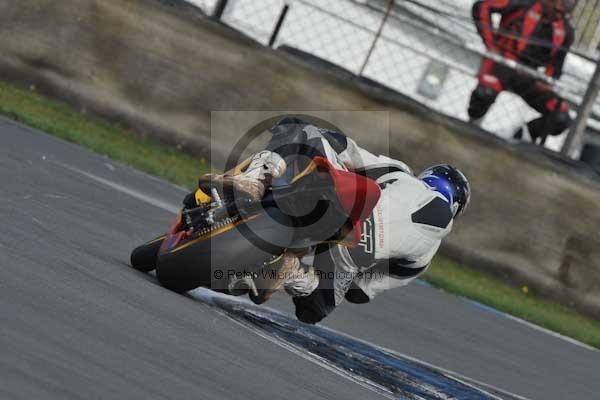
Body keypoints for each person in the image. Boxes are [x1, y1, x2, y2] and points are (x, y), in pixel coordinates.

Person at [199, 118, 470, 324]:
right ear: (456, 208)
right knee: (313, 311)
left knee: (302, 130)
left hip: (344, 204)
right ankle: (295, 276)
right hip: (353, 253)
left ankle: (255, 179)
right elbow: (359, 293)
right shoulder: (425, 257)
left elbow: (350, 150)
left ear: (429, 177)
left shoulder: (401, 174)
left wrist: (323, 136)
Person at [468, 0, 576, 144]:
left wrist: (548, 81)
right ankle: (470, 128)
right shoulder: (523, 3)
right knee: (484, 93)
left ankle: (520, 136)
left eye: (564, 10)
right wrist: (491, 44)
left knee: (560, 117)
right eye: (559, 4)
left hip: (531, 75)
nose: (560, 10)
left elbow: (556, 65)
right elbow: (482, 6)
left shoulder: (565, 31)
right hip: (502, 63)